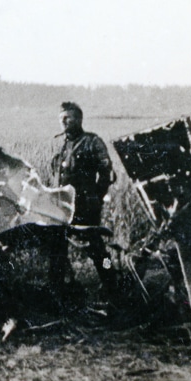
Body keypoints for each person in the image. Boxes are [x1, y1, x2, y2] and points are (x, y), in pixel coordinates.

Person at [49, 101, 121, 306]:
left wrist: (96, 197)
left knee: (97, 249)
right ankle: (58, 290)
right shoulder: (64, 146)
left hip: (86, 207)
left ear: (79, 120)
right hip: (63, 208)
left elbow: (107, 173)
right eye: (60, 118)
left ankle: (111, 283)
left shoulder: (92, 142)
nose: (63, 122)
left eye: (68, 118)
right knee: (58, 248)